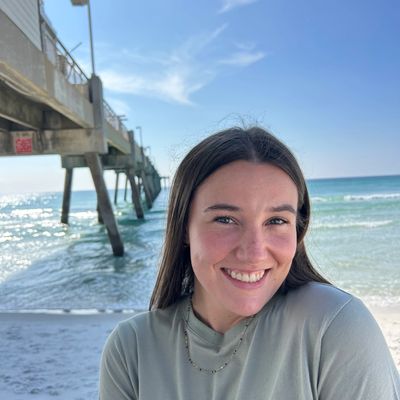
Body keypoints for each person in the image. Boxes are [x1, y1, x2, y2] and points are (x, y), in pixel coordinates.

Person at [99, 126, 399, 399]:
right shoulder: (132, 348)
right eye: (225, 219)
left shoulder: (334, 326)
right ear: (184, 227)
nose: (254, 252)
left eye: (277, 220)